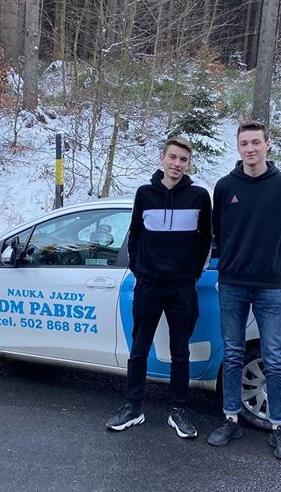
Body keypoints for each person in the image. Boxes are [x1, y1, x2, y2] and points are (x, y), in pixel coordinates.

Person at [206, 120, 281, 460]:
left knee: (274, 357)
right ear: (238, 148)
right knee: (233, 353)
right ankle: (231, 419)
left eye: (255, 142)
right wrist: (233, 261)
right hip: (232, 284)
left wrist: (273, 262)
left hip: (269, 287)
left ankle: (278, 427)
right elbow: (218, 231)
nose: (250, 148)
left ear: (267, 144)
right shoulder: (225, 187)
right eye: (244, 143)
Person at [106, 136, 212, 439]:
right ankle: (133, 406)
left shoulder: (199, 197)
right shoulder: (145, 194)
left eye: (183, 160)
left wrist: (190, 275)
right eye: (173, 157)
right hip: (148, 285)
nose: (177, 164)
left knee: (180, 352)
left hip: (182, 288)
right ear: (162, 158)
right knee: (139, 349)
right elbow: (135, 235)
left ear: (188, 164)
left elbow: (205, 240)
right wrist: (140, 270)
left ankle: (178, 410)